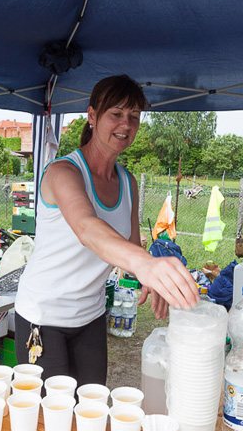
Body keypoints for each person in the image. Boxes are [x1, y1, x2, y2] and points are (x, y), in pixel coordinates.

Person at [14, 75, 199, 385]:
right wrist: (146, 265)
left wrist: (149, 275)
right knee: (52, 422)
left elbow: (129, 247)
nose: (125, 124)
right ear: (92, 116)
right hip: (43, 316)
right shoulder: (63, 172)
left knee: (92, 408)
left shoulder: (128, 182)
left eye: (134, 116)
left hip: (90, 316)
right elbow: (87, 228)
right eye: (116, 113)